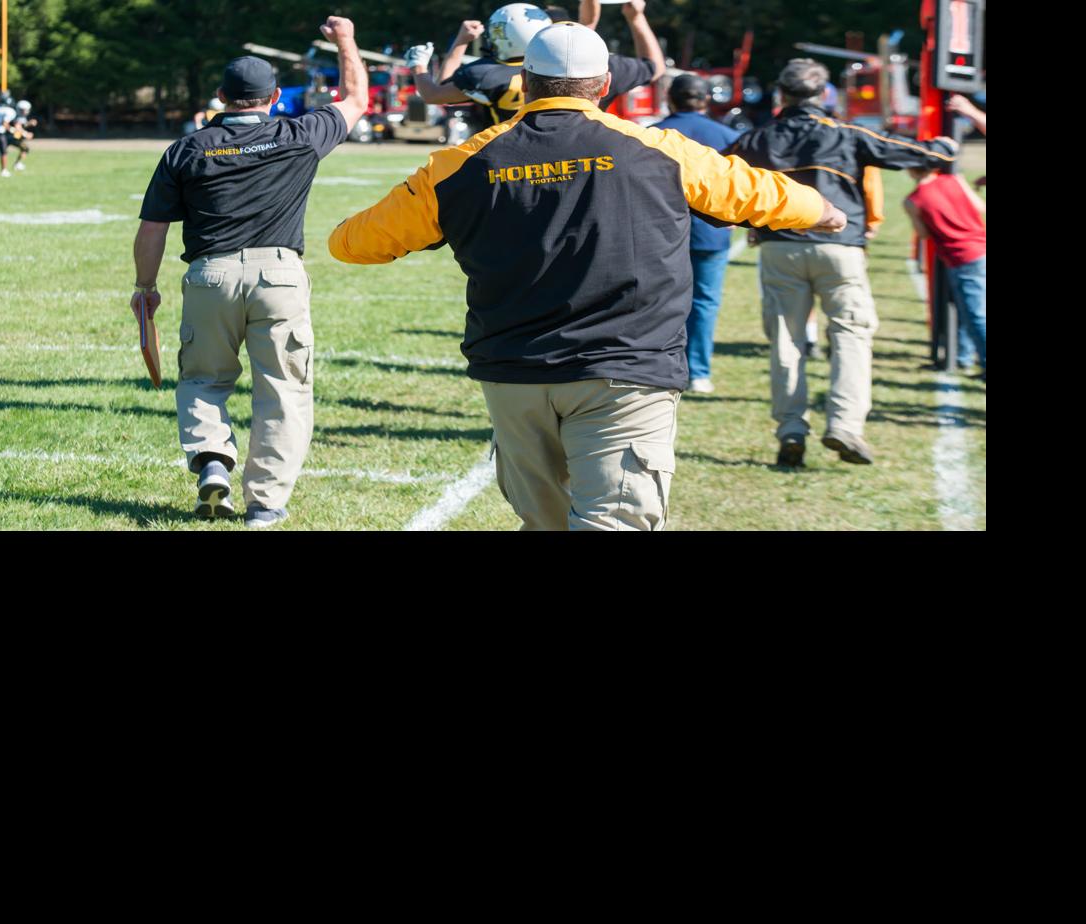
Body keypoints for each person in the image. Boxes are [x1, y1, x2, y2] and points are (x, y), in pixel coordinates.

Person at [328, 22, 840, 531]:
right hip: (625, 370)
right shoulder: (660, 148)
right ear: (602, 86)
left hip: (516, 374)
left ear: (524, 82)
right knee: (614, 522)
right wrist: (823, 210)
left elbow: (352, 243)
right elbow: (754, 192)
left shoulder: (462, 161)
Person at [131, 17, 370, 528]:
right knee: (284, 389)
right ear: (276, 96)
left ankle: (212, 459)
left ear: (220, 97)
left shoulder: (186, 149)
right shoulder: (300, 135)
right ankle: (265, 502)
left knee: (202, 378)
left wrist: (144, 288)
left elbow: (153, 228)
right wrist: (346, 40)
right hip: (280, 276)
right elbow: (355, 100)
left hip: (209, 274)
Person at [725, 59, 956, 467]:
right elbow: (902, 150)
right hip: (840, 246)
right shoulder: (846, 132)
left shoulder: (758, 138)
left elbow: (725, 177)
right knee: (851, 336)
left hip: (780, 247)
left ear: (782, 95)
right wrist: (943, 148)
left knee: (786, 342)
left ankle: (791, 429)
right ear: (824, 95)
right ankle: (845, 425)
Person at [409, 0, 663, 126]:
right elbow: (654, 66)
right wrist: (636, 17)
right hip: (587, 155)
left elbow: (436, 92)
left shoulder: (486, 74)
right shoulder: (591, 64)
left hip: (512, 158)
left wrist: (425, 62)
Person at [653, 73, 739, 394]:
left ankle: (661, 366)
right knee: (704, 302)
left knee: (658, 301)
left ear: (670, 99)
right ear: (706, 100)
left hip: (660, 231)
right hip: (711, 231)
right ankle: (699, 371)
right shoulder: (728, 135)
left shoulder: (650, 134)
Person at [903, 162, 985, 379]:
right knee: (967, 310)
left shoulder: (913, 201)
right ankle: (963, 357)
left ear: (911, 170)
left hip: (960, 257)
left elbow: (922, 234)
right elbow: (980, 207)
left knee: (975, 314)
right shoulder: (954, 180)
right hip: (981, 248)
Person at [9, 99, 38, 170]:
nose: (27, 111)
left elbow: (22, 126)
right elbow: (17, 128)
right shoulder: (17, 116)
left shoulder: (21, 117)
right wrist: (26, 134)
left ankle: (17, 164)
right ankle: (17, 164)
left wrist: (29, 123)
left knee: (25, 149)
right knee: (25, 149)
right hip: (11, 137)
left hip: (15, 137)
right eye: (26, 110)